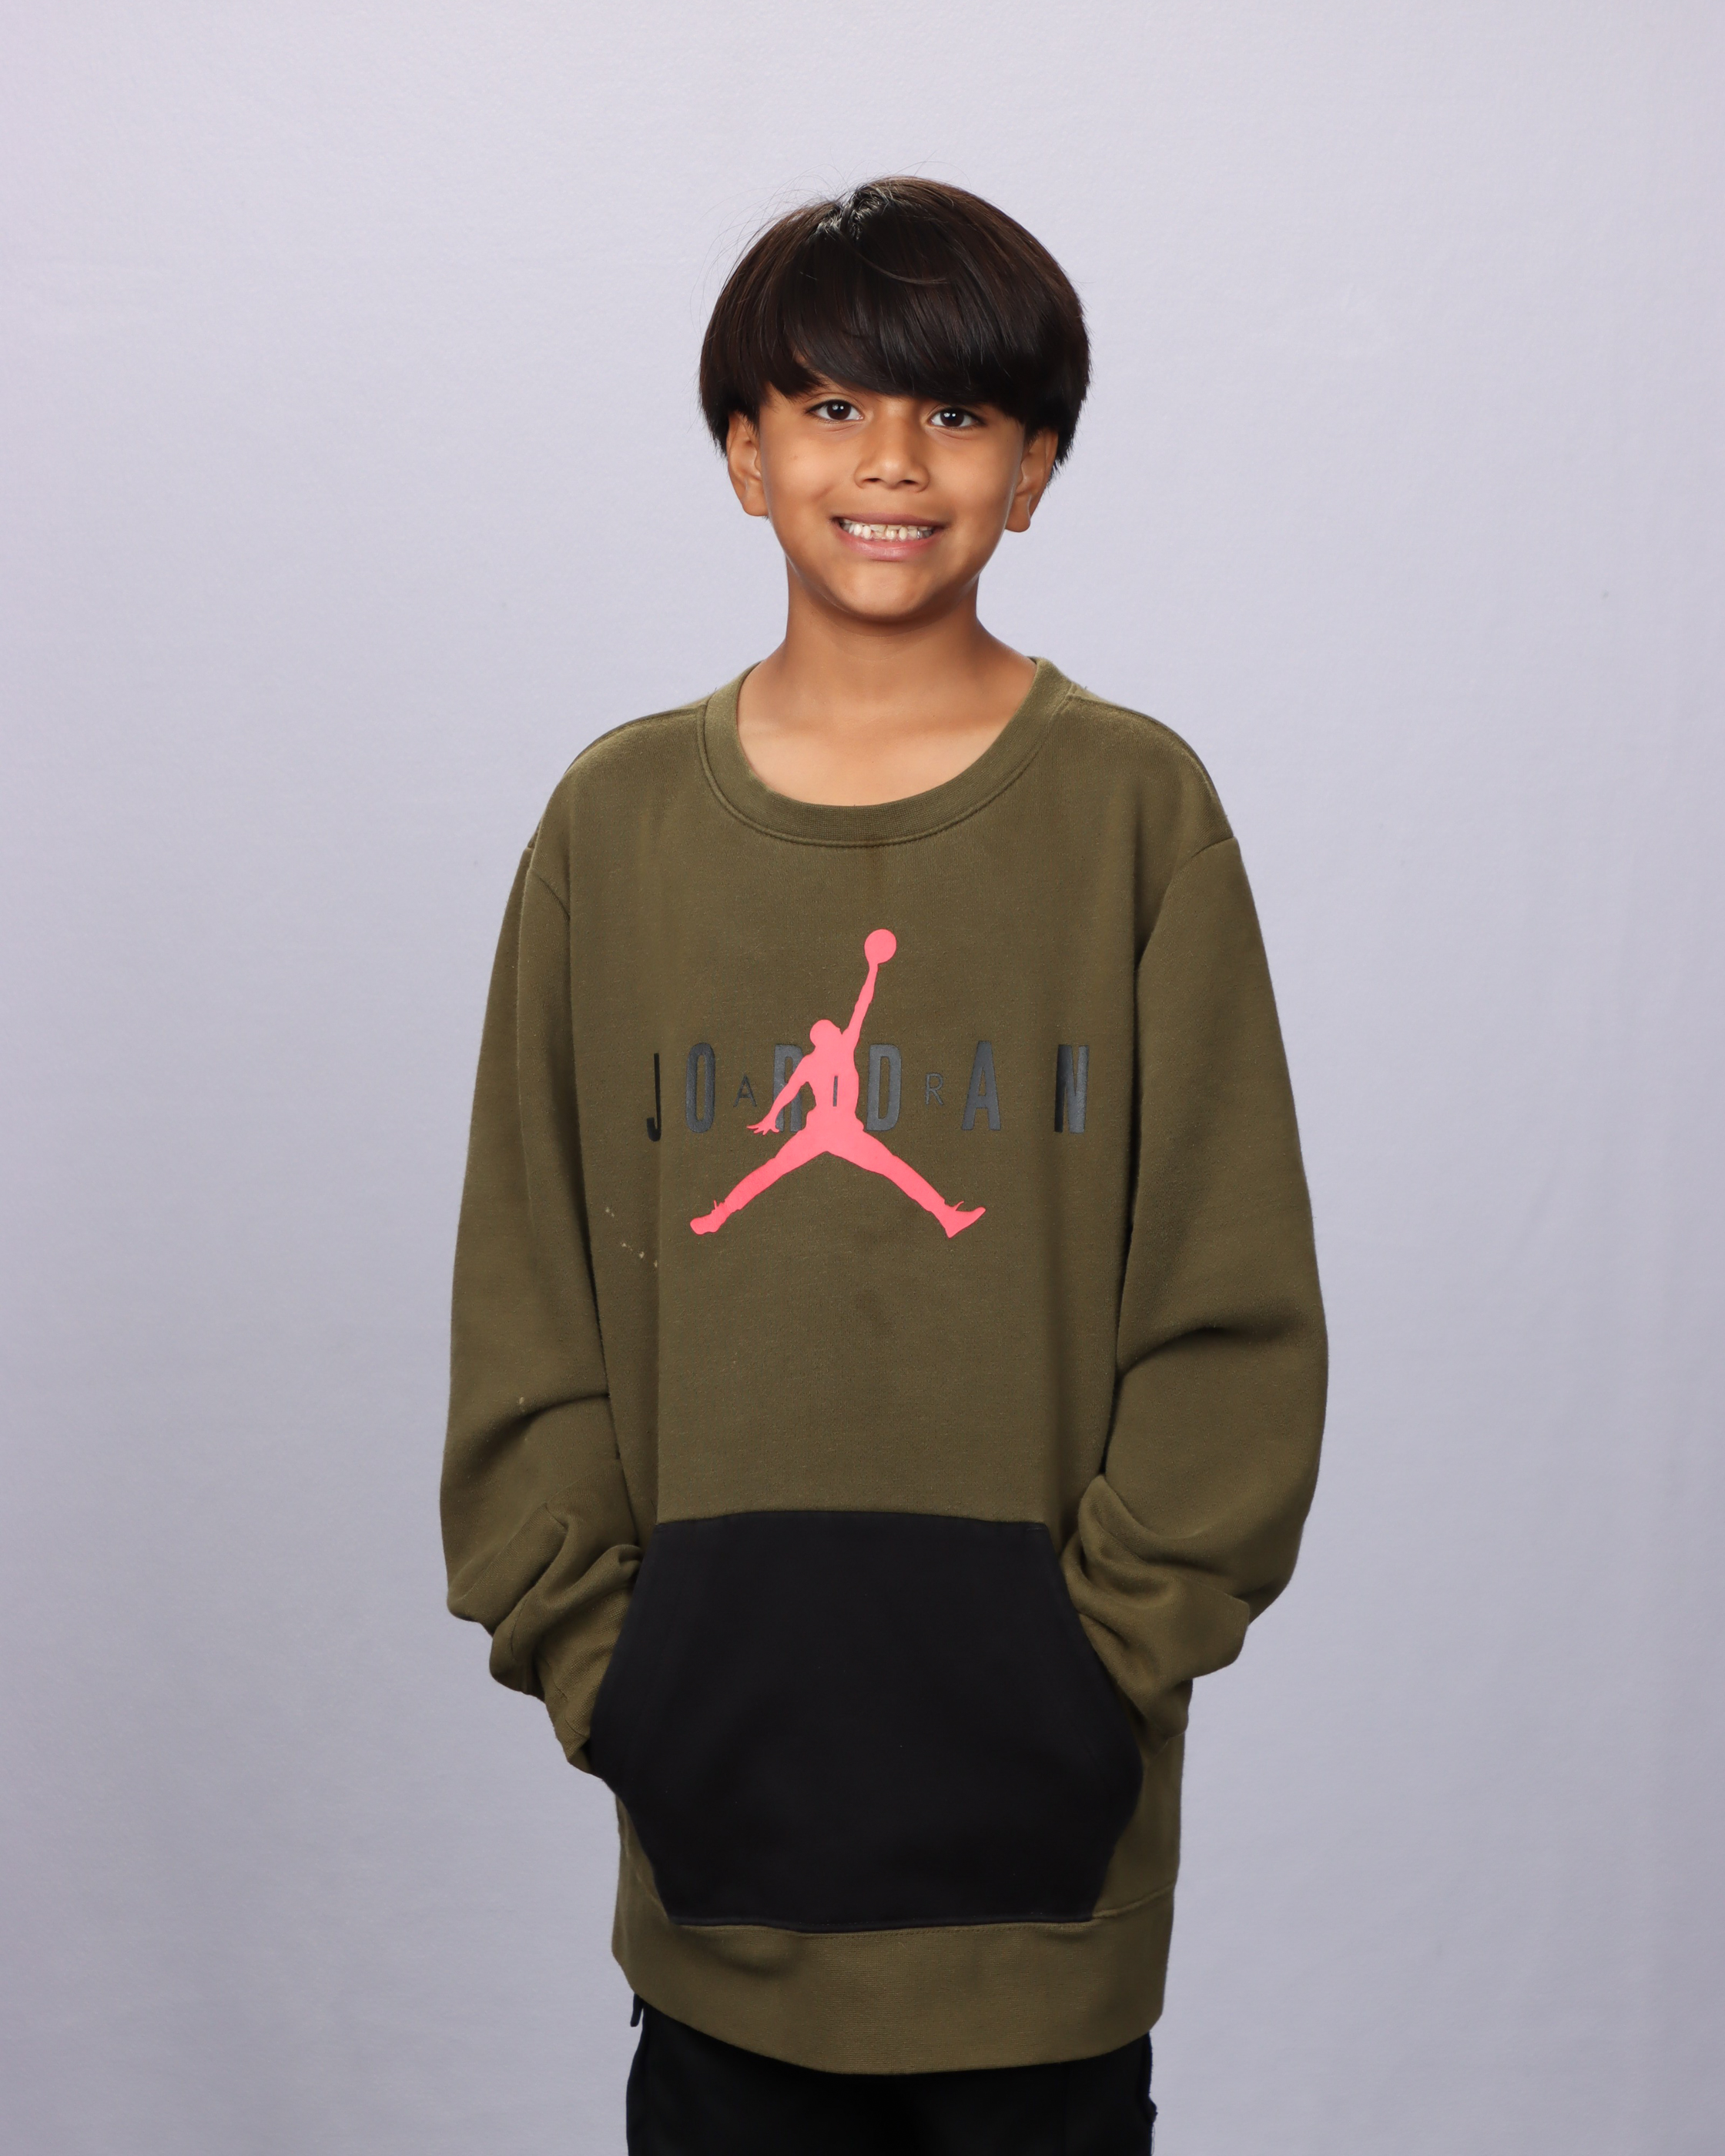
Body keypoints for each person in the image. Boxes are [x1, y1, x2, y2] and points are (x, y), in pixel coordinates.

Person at [440, 178, 1326, 2155]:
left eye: (957, 414)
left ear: (1037, 467)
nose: (894, 463)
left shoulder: (1134, 811)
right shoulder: (614, 827)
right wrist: (619, 1670)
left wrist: (1088, 1671)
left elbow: (1232, 1305)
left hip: (1045, 1872)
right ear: (744, 454)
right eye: (832, 406)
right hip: (717, 1848)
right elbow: (526, 1288)